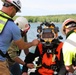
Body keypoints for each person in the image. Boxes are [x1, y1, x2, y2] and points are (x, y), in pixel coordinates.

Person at [0, 0, 39, 75]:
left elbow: (25, 49)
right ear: (12, 8)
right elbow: (22, 46)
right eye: (16, 11)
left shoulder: (18, 31)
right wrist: (33, 43)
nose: (15, 13)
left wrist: (29, 58)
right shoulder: (13, 27)